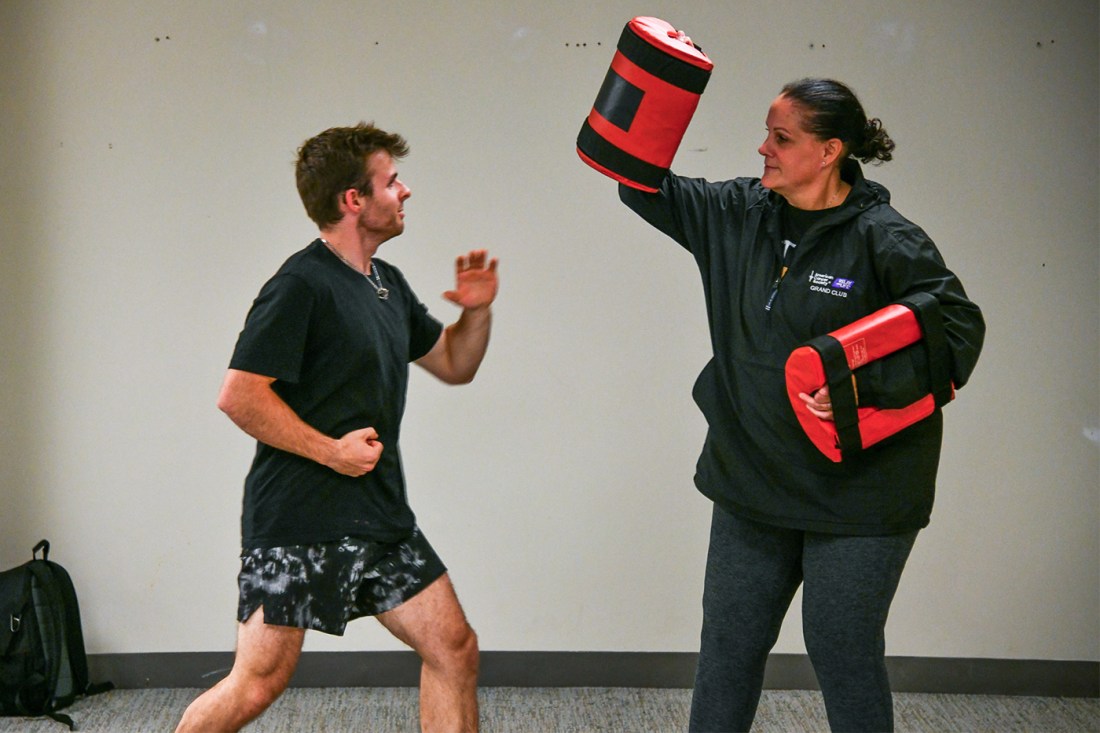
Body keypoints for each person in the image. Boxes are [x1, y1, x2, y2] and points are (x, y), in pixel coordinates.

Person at [616, 78, 984, 732]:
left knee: (840, 649)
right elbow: (641, 184)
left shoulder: (886, 240)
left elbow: (956, 332)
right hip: (752, 476)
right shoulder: (738, 211)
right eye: (767, 132)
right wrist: (649, 79)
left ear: (829, 151)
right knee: (728, 647)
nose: (763, 147)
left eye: (782, 138)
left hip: (862, 494)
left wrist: (859, 388)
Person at [176, 122, 498, 733]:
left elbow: (455, 363)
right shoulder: (301, 285)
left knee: (453, 648)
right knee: (259, 680)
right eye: (391, 181)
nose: (405, 192)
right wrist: (330, 452)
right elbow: (239, 396)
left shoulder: (387, 285)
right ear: (354, 199)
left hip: (377, 516)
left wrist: (477, 313)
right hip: (300, 519)